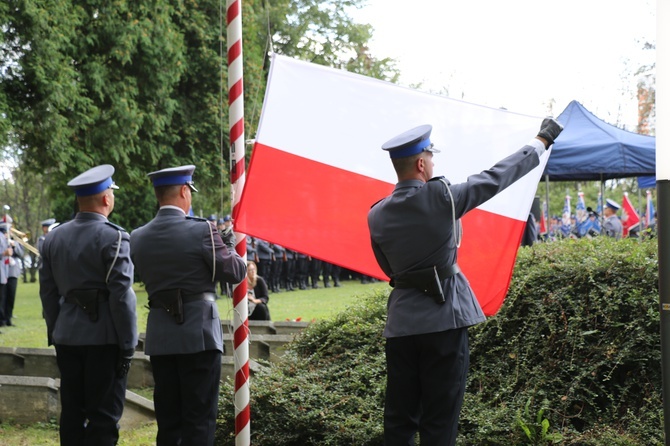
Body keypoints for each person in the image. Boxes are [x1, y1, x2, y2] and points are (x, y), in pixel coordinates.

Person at [367, 118, 563, 445]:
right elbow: (496, 178)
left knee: (399, 419)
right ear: (420, 164)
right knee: (440, 419)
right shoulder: (442, 197)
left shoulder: (377, 213)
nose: (433, 162)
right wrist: (541, 142)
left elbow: (389, 270)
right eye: (431, 157)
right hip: (444, 320)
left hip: (401, 326)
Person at [129, 165, 246, 446]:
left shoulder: (137, 236)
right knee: (200, 419)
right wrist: (229, 247)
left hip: (161, 336)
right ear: (184, 191)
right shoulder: (202, 229)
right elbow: (236, 272)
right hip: (198, 335)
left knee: (169, 420)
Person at [39, 164, 138, 445]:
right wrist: (128, 345)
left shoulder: (53, 238)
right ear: (107, 198)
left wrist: (57, 331)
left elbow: (48, 293)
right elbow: (121, 296)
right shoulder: (115, 237)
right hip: (104, 339)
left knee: (71, 412)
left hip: (67, 336)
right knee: (104, 417)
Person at [3, 225, 24, 326]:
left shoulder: (15, 241)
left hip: (12, 272)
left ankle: (9, 318)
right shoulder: (2, 239)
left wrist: (14, 245)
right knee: (3, 297)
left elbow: (21, 253)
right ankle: (2, 319)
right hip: (3, 271)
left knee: (11, 296)